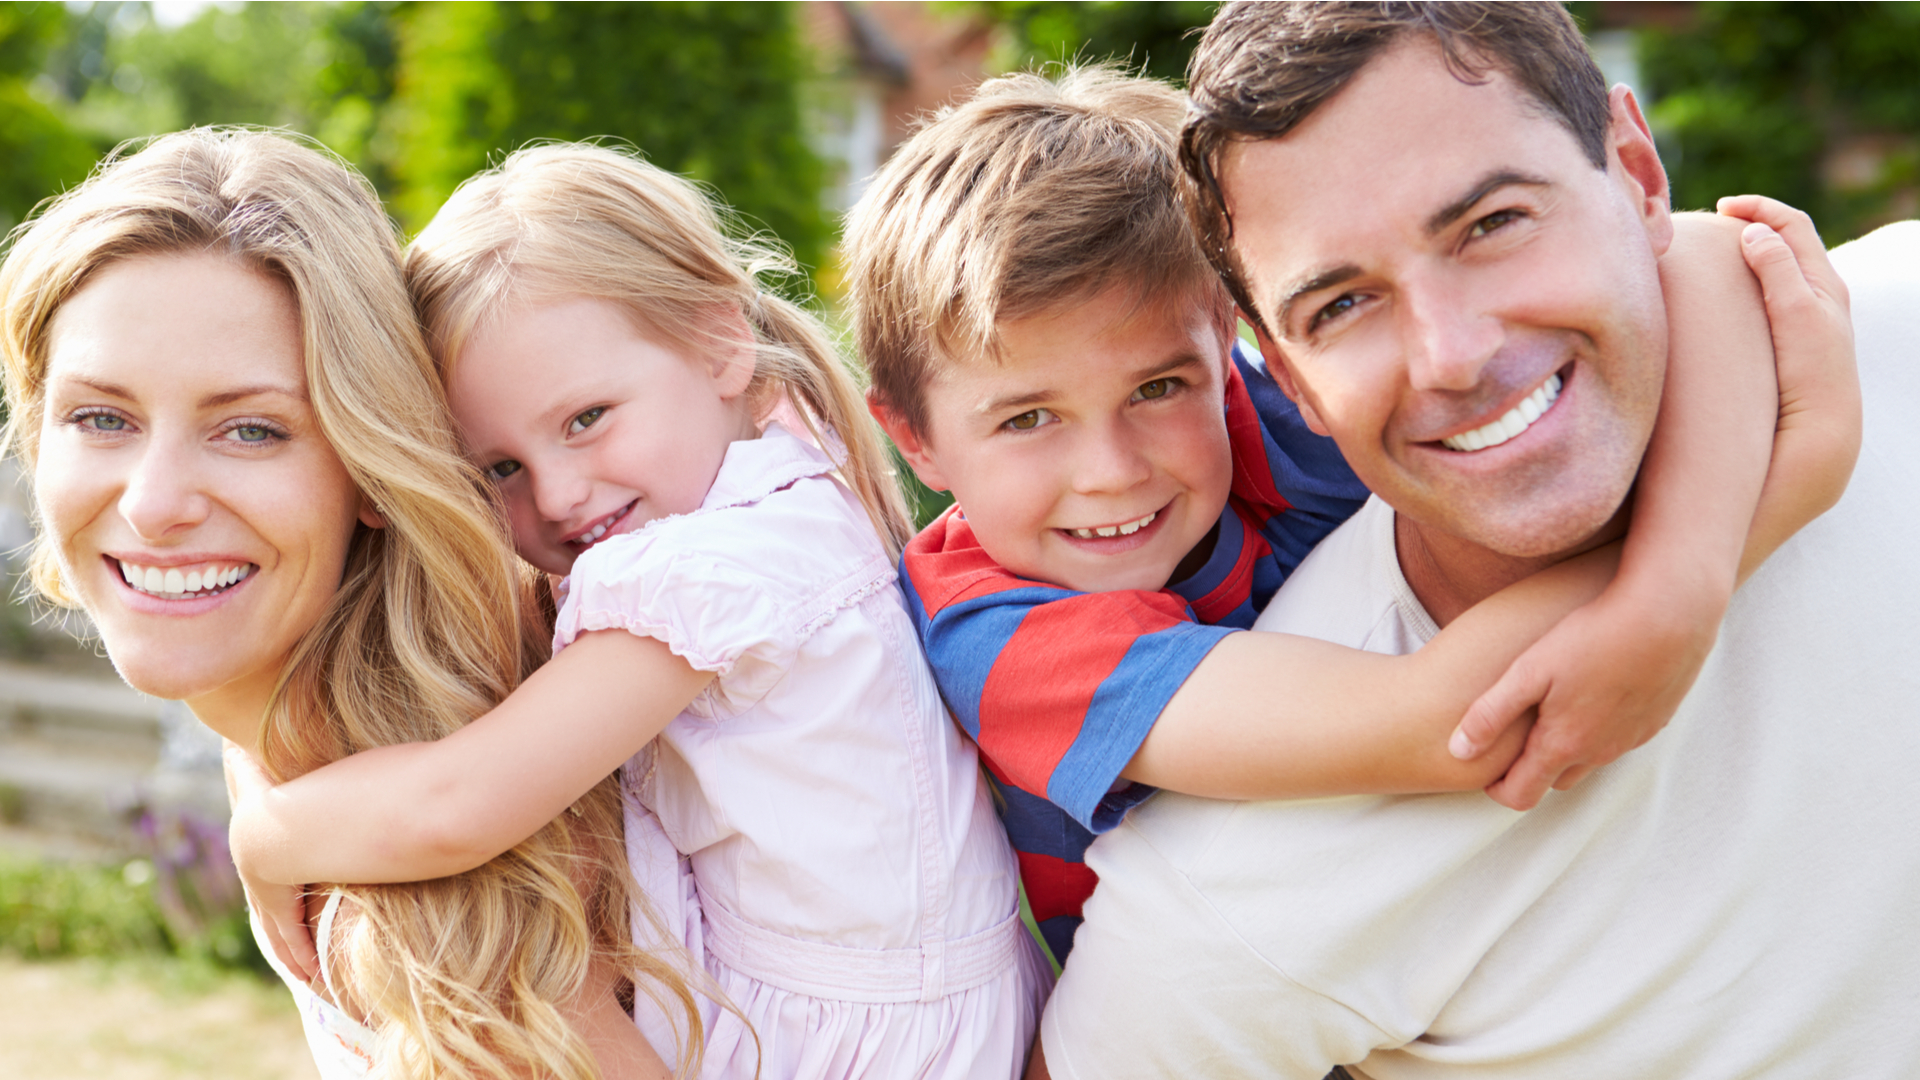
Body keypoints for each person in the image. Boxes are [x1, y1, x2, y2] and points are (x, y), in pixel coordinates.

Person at [1036, 4, 1911, 1077]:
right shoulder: (1235, 897)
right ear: (1285, 376)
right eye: (1344, 302)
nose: (1451, 355)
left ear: (1638, 176)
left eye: (1493, 224)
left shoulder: (1888, 325)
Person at [838, 65, 1821, 969]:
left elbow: (1696, 250)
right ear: (913, 438)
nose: (1110, 470)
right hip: (1246, 1015)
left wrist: (1684, 561)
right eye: (1029, 418)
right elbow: (1451, 727)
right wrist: (1747, 515)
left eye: (1157, 387)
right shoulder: (1000, 636)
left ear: (1230, 338)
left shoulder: (1255, 415)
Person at [223, 143, 1052, 1080]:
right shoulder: (787, 484)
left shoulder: (712, 572)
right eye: (501, 469)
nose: (562, 493)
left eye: (586, 419)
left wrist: (263, 836)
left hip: (838, 1048)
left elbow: (457, 806)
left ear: (720, 343)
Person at [0, 129, 698, 1079]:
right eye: (101, 418)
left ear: (374, 468)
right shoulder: (302, 744)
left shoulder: (417, 892)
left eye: (251, 429)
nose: (156, 504)